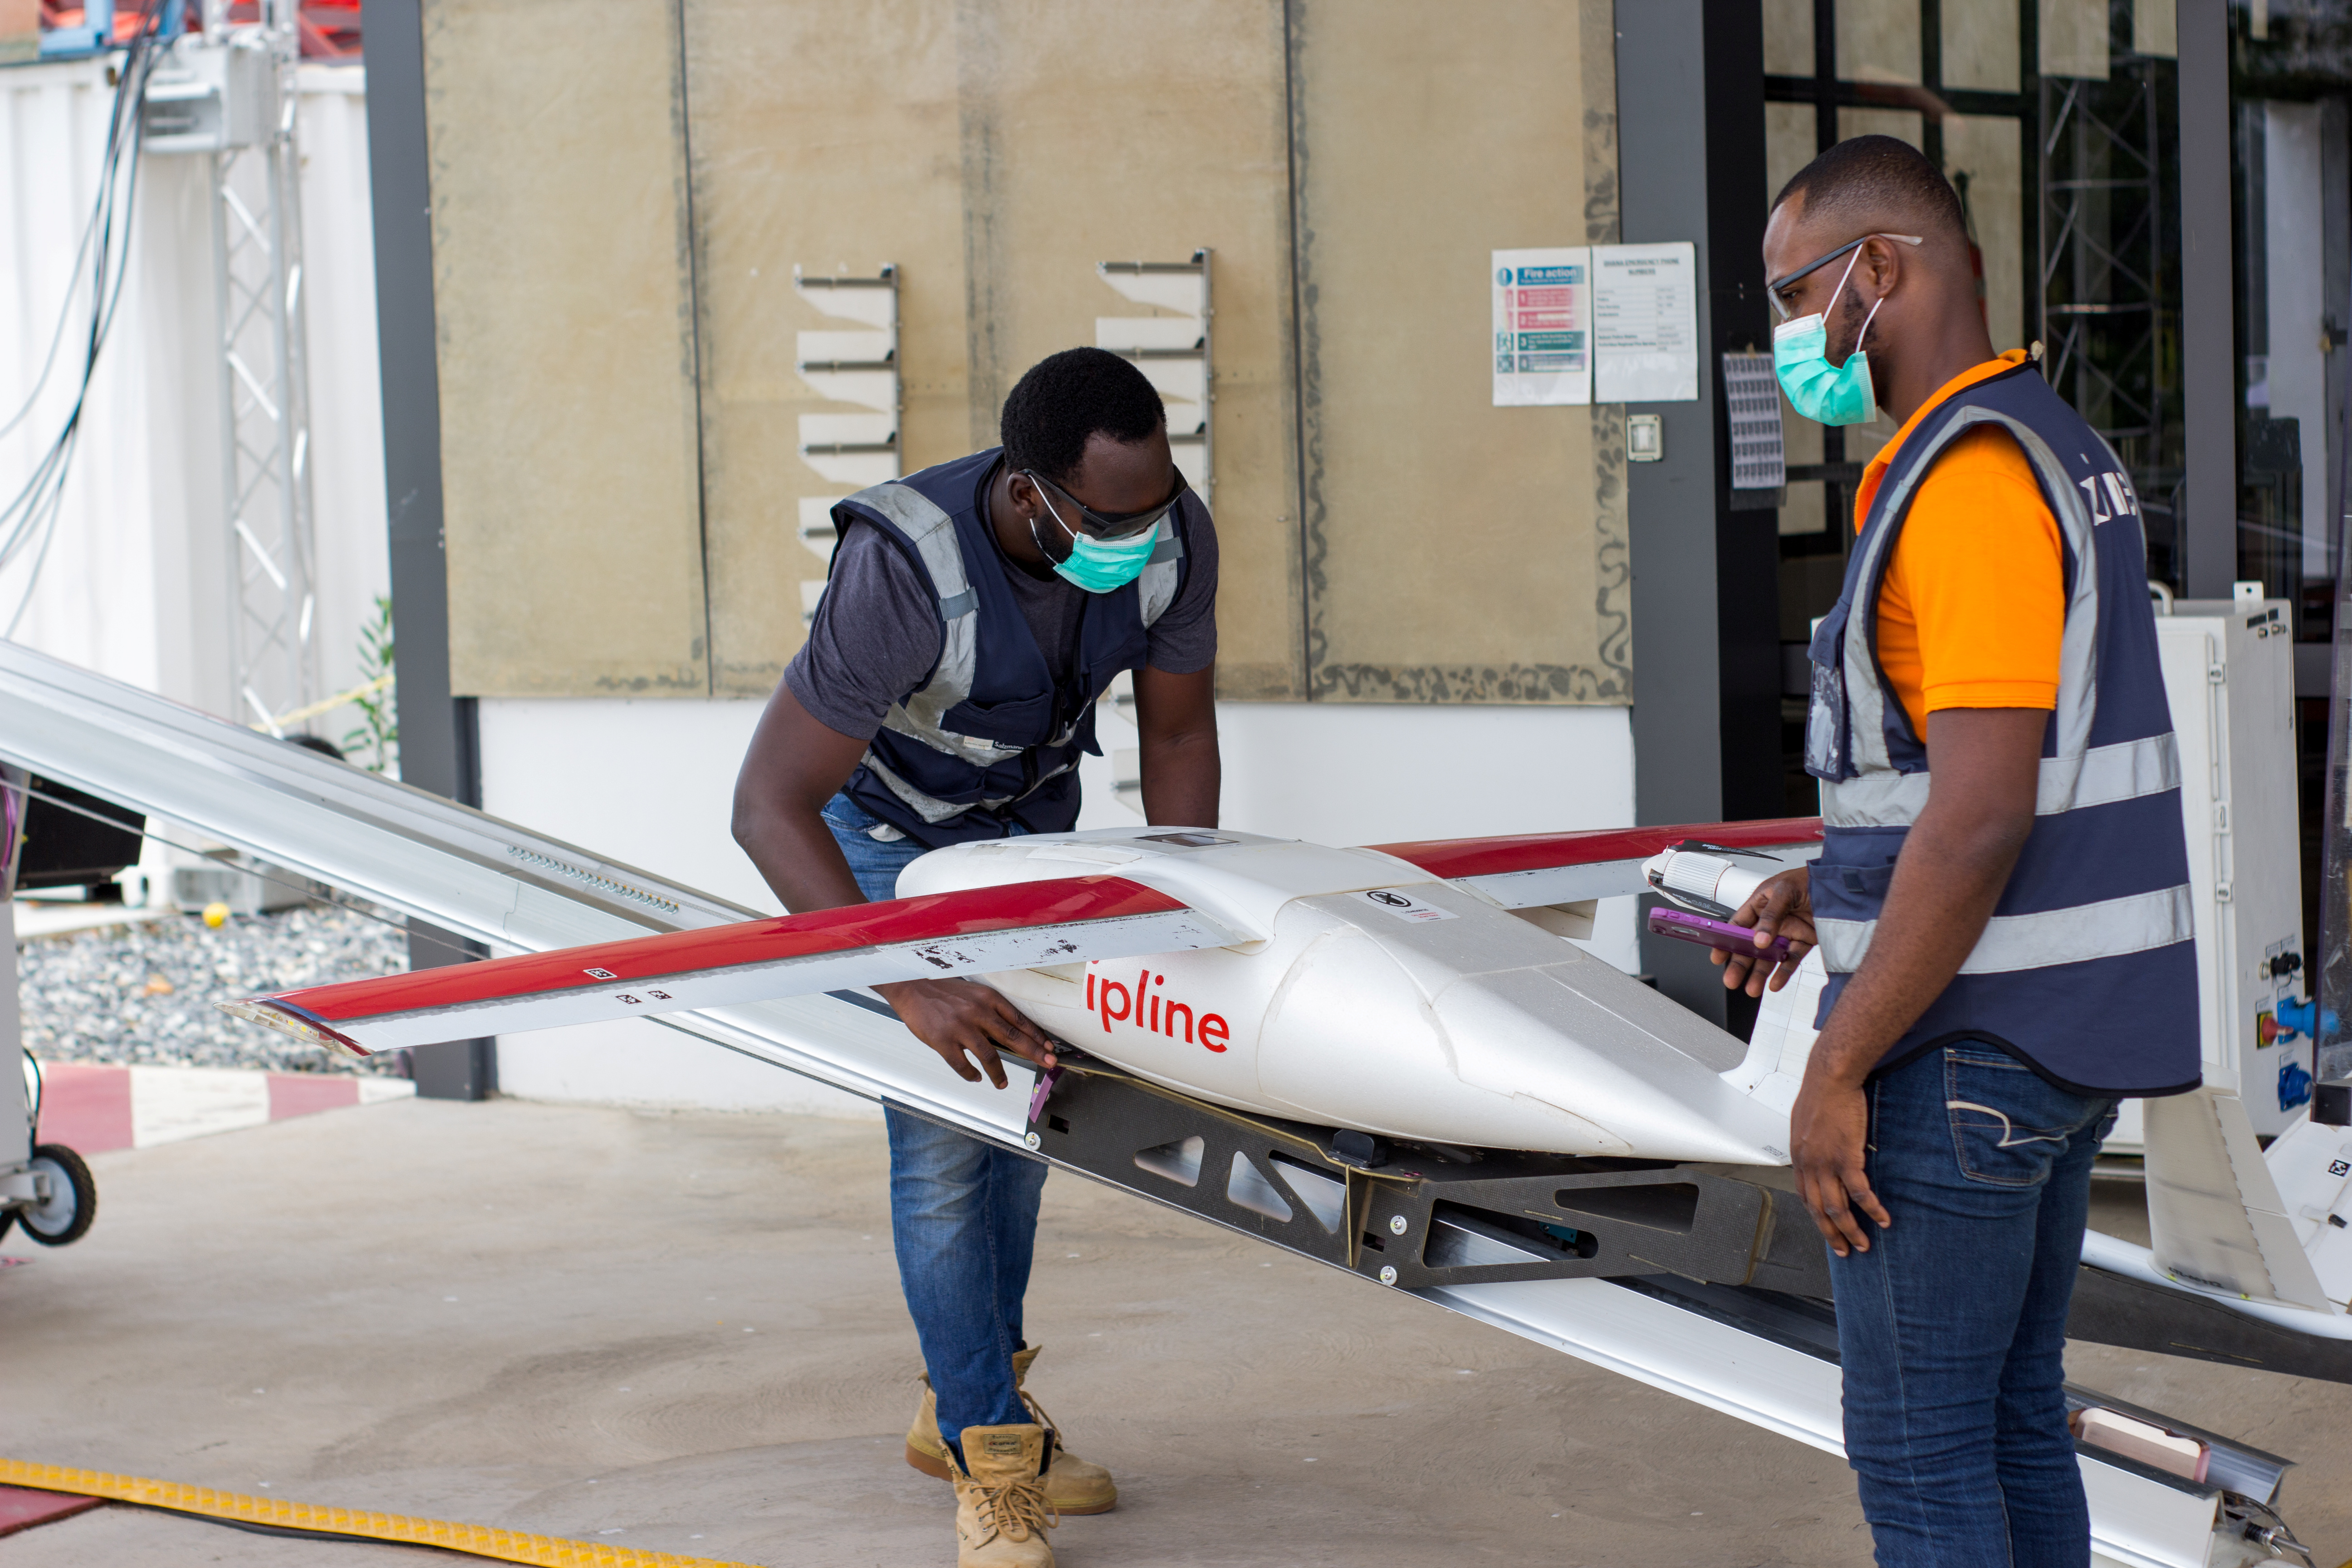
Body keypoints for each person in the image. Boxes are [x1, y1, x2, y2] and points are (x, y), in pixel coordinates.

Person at [1721, 136, 2199, 1568]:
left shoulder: (1972, 479)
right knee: (2005, 1424)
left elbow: (1985, 810)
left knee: (1926, 1455)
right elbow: (1968, 776)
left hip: (1965, 1050)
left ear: (1877, 271)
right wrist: (1839, 883)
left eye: (1792, 296)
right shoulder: (2041, 443)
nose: (1788, 338)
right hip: (2043, 1044)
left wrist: (1838, 1060)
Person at [731, 346, 1220, 1568]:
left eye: (1155, 506)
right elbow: (769, 805)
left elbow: (1181, 726)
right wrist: (906, 979)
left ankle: (963, 1403)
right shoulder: (905, 569)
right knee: (950, 1135)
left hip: (1020, 841)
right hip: (877, 839)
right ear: (1026, 491)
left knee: (1029, 1120)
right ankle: (991, 1460)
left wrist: (1184, 902)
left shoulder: (1167, 535)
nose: (1138, 536)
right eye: (1106, 519)